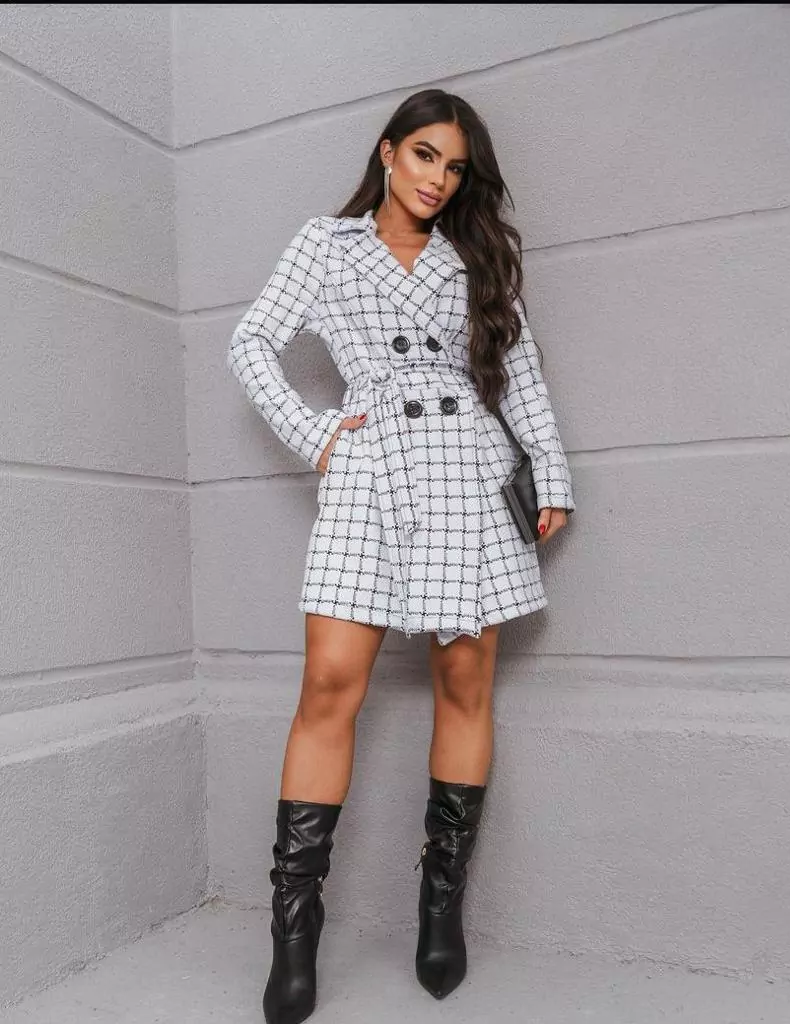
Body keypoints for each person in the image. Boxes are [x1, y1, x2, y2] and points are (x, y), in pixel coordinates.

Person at [227, 87, 575, 1024]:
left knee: (464, 682)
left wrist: (548, 469)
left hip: (467, 471)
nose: (438, 179)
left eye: (454, 167)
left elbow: (520, 372)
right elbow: (252, 342)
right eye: (425, 155)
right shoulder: (326, 244)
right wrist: (316, 434)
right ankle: (293, 938)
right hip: (371, 471)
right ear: (387, 153)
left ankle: (439, 913)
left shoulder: (475, 258)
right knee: (328, 686)